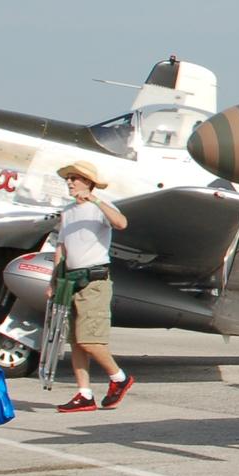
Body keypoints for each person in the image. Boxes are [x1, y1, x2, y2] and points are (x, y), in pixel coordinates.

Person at [52, 162, 132, 413]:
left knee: (89, 340)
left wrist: (96, 200)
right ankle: (84, 393)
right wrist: (54, 281)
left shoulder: (100, 208)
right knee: (76, 341)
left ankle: (119, 378)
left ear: (89, 183)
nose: (70, 182)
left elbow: (121, 223)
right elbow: (61, 248)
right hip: (72, 280)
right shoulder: (67, 212)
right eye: (69, 178)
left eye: (75, 178)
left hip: (95, 281)